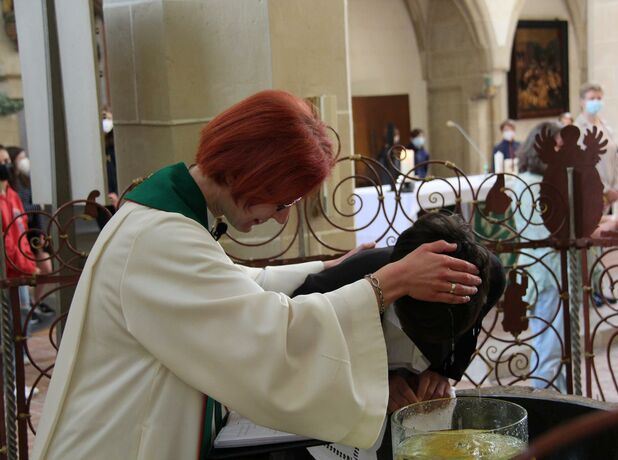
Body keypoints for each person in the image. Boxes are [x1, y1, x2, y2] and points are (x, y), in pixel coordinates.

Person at [32, 90, 483, 460]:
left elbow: (230, 288)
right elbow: (267, 333)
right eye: (282, 203)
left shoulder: (168, 220)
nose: (283, 220)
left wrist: (328, 268)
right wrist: (390, 284)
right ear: (251, 173)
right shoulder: (159, 239)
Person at [293, 213, 505, 413]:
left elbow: (468, 334)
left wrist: (443, 370)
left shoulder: (488, 275)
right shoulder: (355, 277)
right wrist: (373, 377)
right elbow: (300, 333)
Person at [512, 122, 618, 392]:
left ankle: (562, 413)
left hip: (554, 272)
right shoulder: (535, 185)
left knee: (561, 351)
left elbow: (569, 219)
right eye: (560, 147)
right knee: (550, 352)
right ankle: (546, 419)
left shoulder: (540, 181)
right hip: (550, 274)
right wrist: (604, 226)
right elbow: (557, 231)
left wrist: (603, 217)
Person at [6, 146, 54, 315]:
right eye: (21, 158)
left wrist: (41, 232)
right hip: (22, 235)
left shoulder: (26, 181)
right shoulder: (11, 188)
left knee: (45, 267)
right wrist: (35, 208)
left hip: (31, 232)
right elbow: (22, 210)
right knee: (21, 276)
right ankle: (27, 309)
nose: (24, 161)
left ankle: (35, 302)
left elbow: (35, 207)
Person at [0, 146, 37, 327]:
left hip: (20, 271)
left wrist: (29, 263)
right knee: (10, 328)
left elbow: (23, 232)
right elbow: (5, 242)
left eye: (7, 161)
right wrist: (26, 266)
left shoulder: (13, 196)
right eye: (1, 163)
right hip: (7, 272)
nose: (5, 166)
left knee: (23, 326)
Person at [574, 83, 618, 210]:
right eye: (592, 98)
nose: (596, 101)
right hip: (591, 191)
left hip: (611, 193)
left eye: (599, 98)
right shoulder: (577, 129)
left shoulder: (605, 126)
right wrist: (605, 190)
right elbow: (582, 165)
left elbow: (615, 159)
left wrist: (616, 187)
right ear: (582, 102)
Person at [377, 122, 401, 187]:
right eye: (395, 135)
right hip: (386, 183)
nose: (397, 137)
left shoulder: (396, 150)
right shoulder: (384, 152)